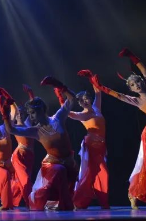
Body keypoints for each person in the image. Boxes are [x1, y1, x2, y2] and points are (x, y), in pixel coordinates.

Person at [86, 48, 146, 210]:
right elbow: (118, 95)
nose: (136, 85)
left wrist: (133, 57)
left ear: (142, 82)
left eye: (137, 82)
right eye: (132, 85)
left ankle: (133, 193)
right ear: (131, 89)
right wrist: (101, 87)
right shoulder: (137, 100)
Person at [3, 77, 78, 211]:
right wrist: (5, 114)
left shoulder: (58, 118)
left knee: (68, 177)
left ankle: (63, 203)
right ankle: (62, 206)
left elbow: (72, 99)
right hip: (52, 165)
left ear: (41, 110)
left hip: (69, 162)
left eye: (32, 113)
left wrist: (58, 85)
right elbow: (12, 130)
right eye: (29, 114)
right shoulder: (35, 131)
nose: (31, 117)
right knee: (59, 170)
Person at [60, 70, 109, 209]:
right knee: (92, 174)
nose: (85, 101)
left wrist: (90, 77)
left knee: (100, 174)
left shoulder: (96, 108)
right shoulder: (81, 115)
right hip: (91, 146)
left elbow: (98, 92)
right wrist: (60, 96)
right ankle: (78, 201)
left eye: (86, 98)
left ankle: (104, 203)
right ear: (80, 104)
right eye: (81, 100)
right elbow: (66, 112)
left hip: (102, 146)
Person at [0, 86, 35, 208]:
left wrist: (30, 93)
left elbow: (33, 106)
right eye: (18, 113)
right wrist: (4, 95)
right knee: (25, 179)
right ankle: (31, 203)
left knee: (21, 180)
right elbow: (11, 109)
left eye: (22, 113)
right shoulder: (13, 126)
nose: (20, 115)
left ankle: (12, 200)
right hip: (19, 157)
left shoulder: (28, 123)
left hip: (30, 157)